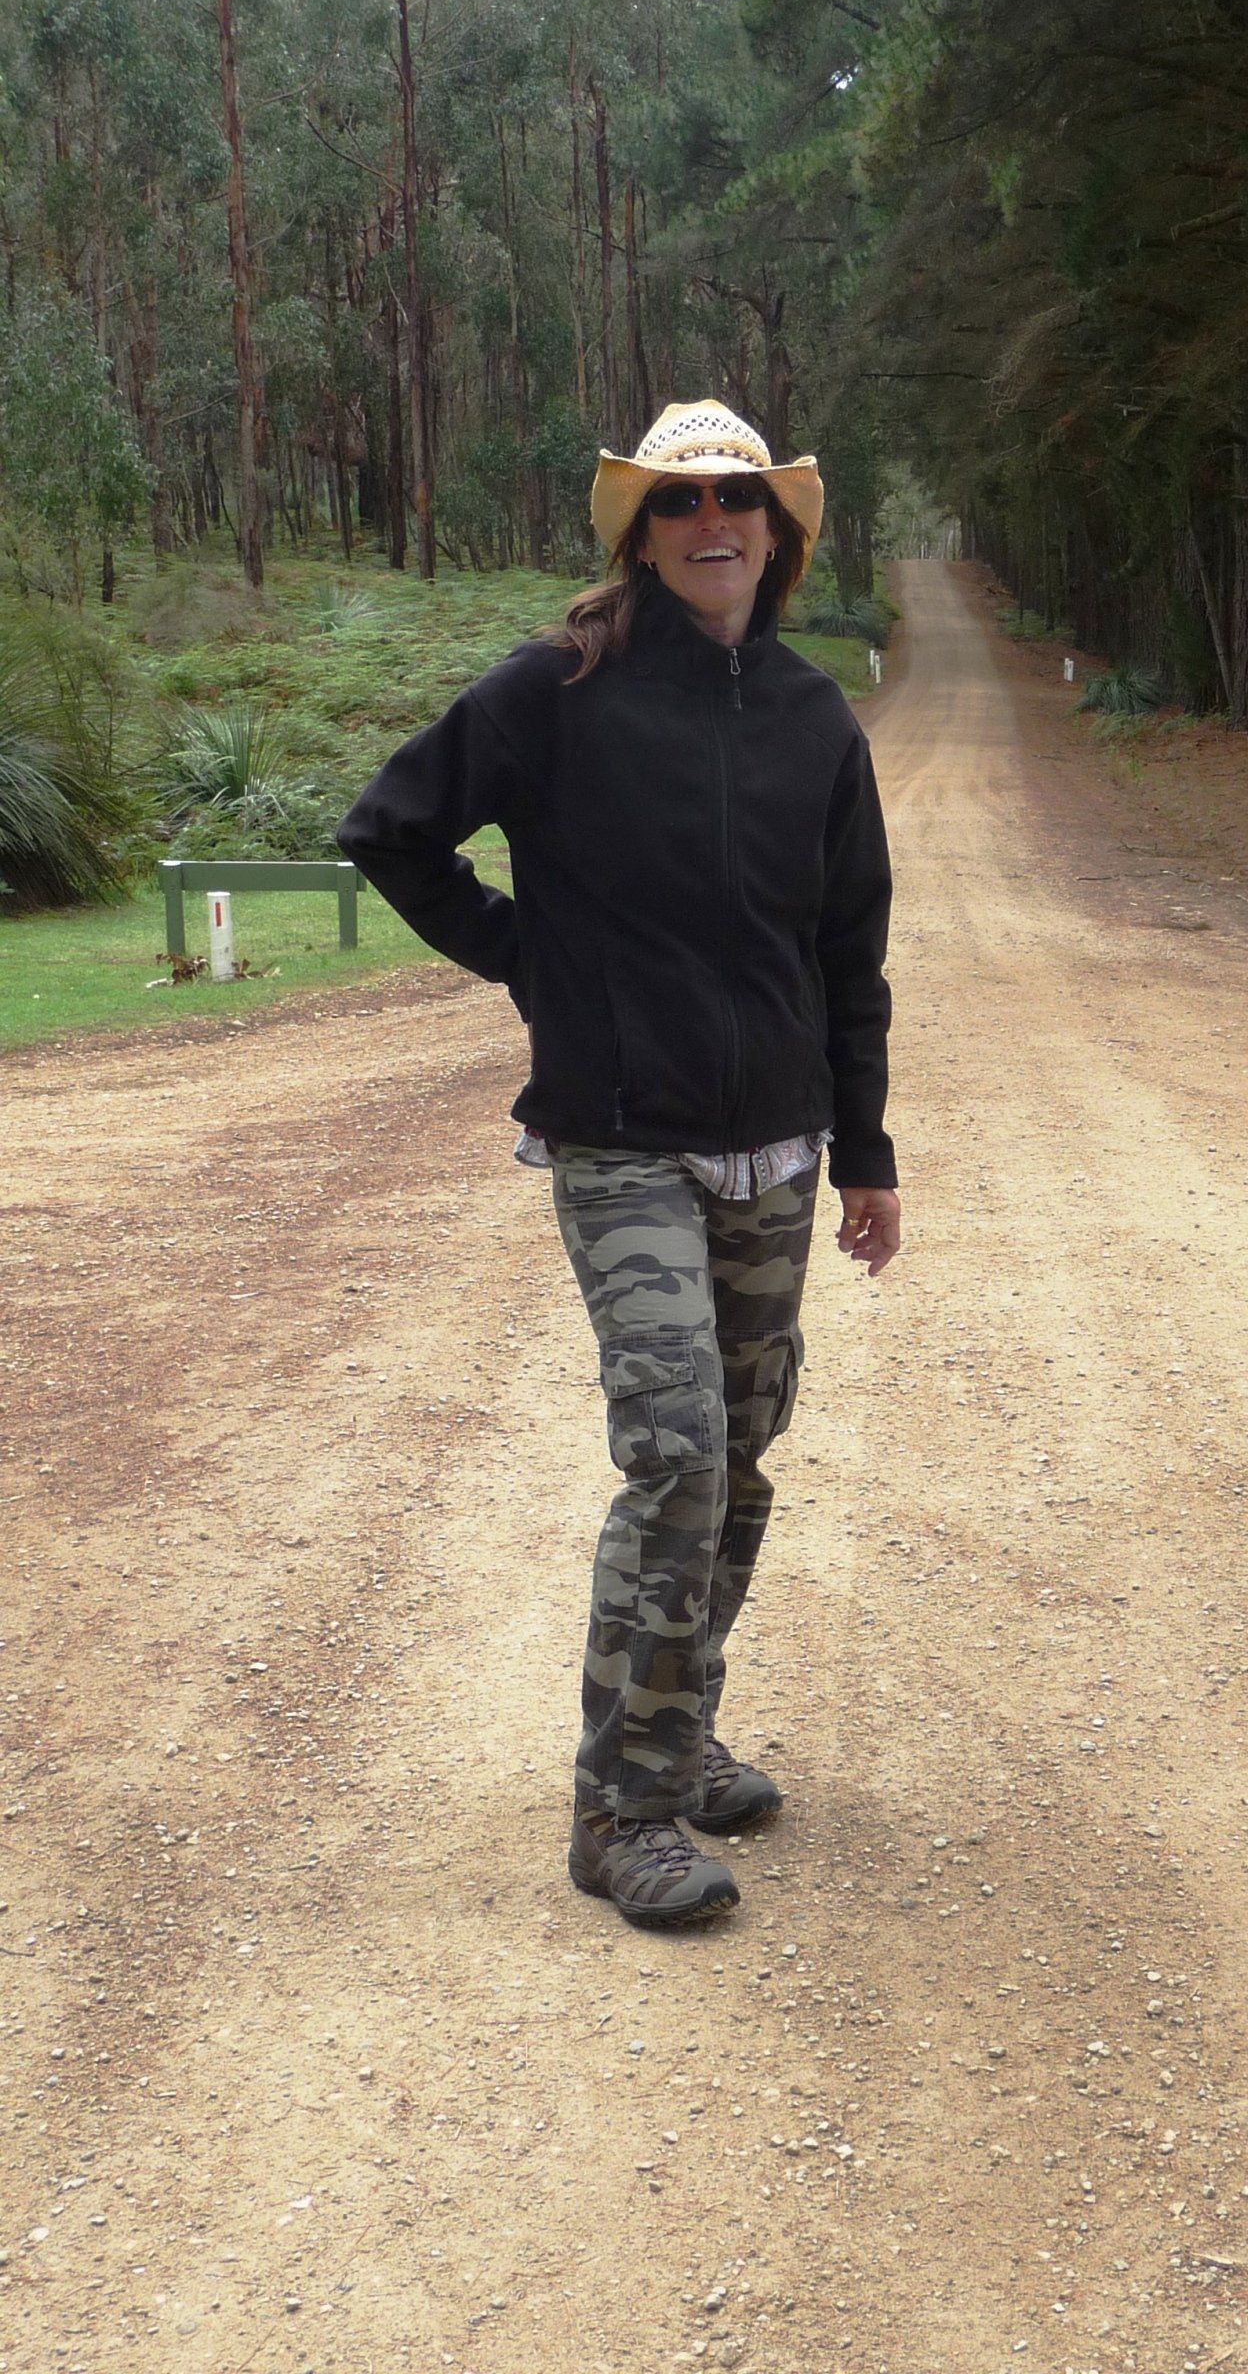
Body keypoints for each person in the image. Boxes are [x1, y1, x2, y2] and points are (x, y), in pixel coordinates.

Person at [338, 398, 900, 1930]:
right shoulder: (556, 691)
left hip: (776, 1142)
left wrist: (868, 1146)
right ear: (640, 537)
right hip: (619, 1137)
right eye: (677, 502)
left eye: (737, 499)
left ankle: (679, 1720)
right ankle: (624, 1810)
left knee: (744, 1459)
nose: (711, 523)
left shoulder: (807, 717)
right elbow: (391, 829)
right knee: (679, 1456)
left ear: (776, 534)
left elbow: (851, 944)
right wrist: (535, 964)